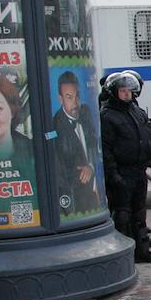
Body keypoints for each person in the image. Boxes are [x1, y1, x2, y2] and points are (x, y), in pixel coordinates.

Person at [100, 72, 151, 263]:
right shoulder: (107, 116)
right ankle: (122, 254)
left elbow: (149, 137)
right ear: (114, 92)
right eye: (122, 91)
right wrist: (112, 173)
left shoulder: (137, 111)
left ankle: (142, 251)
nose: (127, 94)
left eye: (129, 91)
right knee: (122, 214)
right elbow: (106, 148)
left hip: (139, 170)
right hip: (122, 171)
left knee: (139, 213)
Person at [52, 70, 101, 216]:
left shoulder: (86, 112)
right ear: (60, 99)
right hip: (75, 196)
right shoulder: (55, 125)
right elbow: (59, 169)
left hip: (95, 190)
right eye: (69, 97)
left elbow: (94, 145)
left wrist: (91, 166)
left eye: (77, 96)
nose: (75, 102)